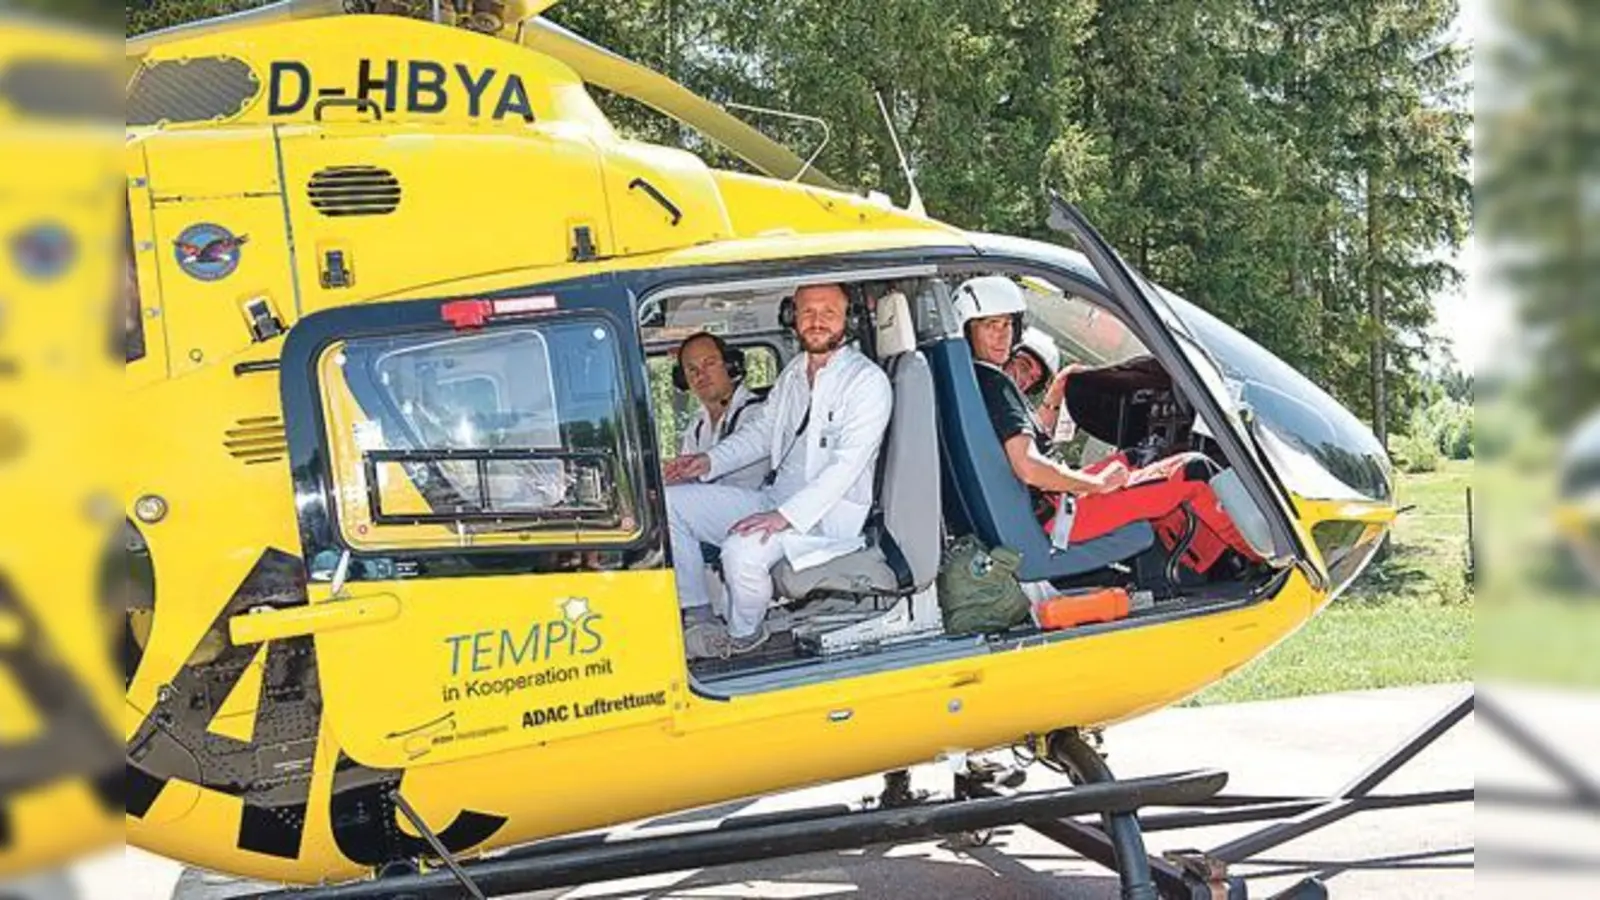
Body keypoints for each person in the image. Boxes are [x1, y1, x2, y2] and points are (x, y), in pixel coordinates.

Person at [662, 283, 893, 660]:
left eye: (828, 313)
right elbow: (761, 433)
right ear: (792, 317)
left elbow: (846, 466)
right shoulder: (793, 375)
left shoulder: (866, 383)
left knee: (740, 552)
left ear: (846, 320)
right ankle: (699, 616)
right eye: (807, 312)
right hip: (776, 501)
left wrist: (785, 516)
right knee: (672, 503)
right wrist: (708, 462)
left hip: (822, 520)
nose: (816, 321)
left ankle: (743, 637)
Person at [953, 276, 1129, 539]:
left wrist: (1055, 394)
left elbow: (1027, 436)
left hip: (1034, 508)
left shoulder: (969, 382)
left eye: (1008, 325)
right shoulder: (994, 383)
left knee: (1131, 461)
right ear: (968, 329)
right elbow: (1028, 466)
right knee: (1188, 472)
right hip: (1044, 515)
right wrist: (1097, 485)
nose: (1002, 335)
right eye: (992, 325)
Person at [673, 331, 770, 490]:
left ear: (730, 366)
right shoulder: (696, 427)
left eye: (709, 363)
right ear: (683, 380)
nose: (701, 375)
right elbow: (688, 480)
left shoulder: (759, 414)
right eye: (692, 369)